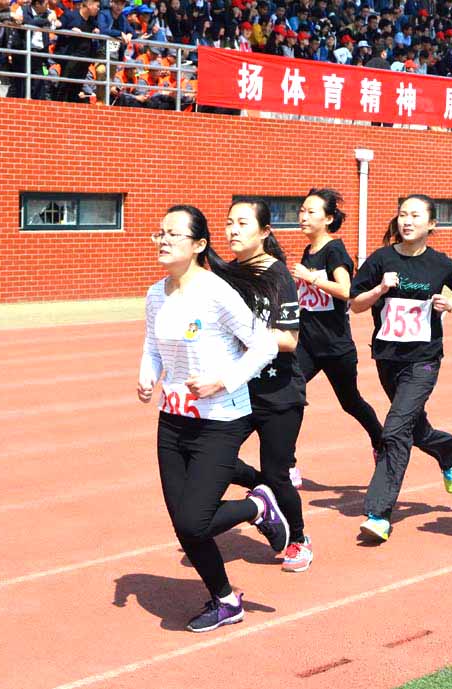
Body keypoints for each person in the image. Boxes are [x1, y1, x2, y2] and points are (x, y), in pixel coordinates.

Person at [138, 204, 289, 632]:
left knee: (194, 520)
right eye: (160, 233)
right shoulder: (155, 294)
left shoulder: (217, 292)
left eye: (174, 234)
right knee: (184, 525)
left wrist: (223, 380)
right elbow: (152, 346)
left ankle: (257, 505)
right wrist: (148, 376)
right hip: (173, 419)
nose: (164, 240)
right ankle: (225, 600)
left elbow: (264, 346)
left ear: (199, 244)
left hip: (221, 419)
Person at [349, 195, 452, 542]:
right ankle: (449, 450)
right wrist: (380, 288)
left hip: (423, 360)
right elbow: (355, 304)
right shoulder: (381, 259)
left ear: (431, 224)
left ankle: (378, 513)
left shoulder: (439, 264)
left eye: (415, 216)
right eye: (403, 215)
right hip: (387, 358)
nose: (407, 221)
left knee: (394, 430)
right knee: (413, 428)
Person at [223, 199, 313, 573]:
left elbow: (289, 340)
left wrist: (246, 332)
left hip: (279, 394)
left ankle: (299, 539)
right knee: (214, 459)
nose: (233, 229)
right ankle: (265, 494)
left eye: (243, 223)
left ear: (264, 232)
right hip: (237, 391)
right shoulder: (227, 274)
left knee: (277, 472)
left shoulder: (278, 276)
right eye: (229, 222)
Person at [290, 189, 383, 487]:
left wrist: (311, 278)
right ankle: (287, 464)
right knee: (289, 395)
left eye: (311, 212)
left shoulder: (334, 251)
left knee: (350, 402)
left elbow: (346, 291)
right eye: (302, 210)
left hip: (334, 346)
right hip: (307, 344)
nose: (303, 216)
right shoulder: (309, 251)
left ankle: (381, 441)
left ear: (328, 219)